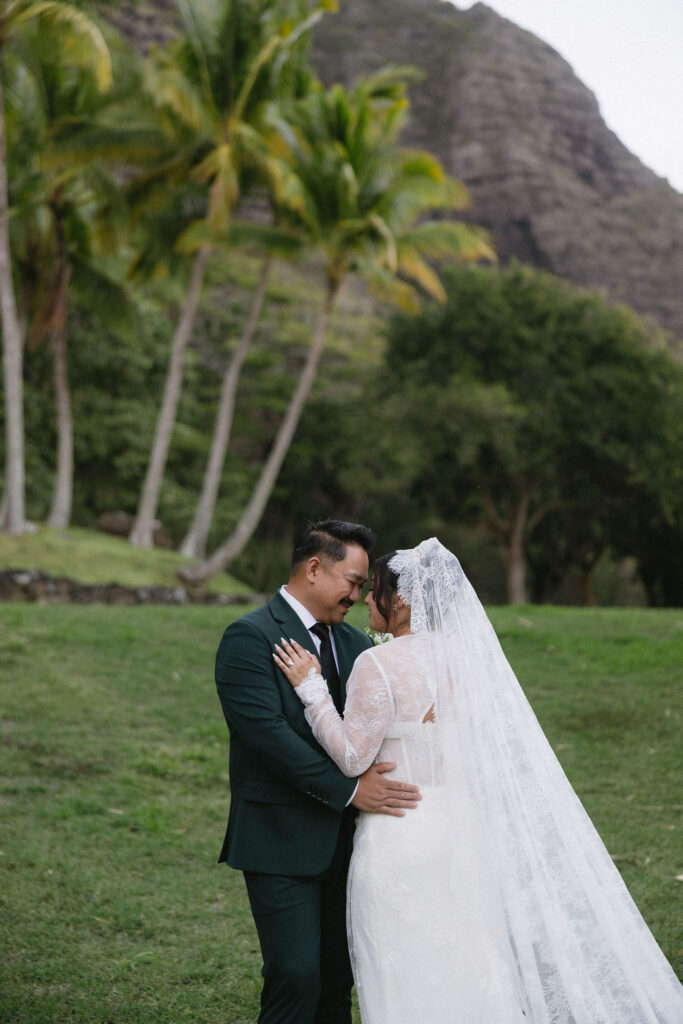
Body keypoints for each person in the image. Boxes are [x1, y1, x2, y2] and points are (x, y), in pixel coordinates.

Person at [274, 537, 683, 1023]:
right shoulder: (469, 662)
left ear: (401, 599)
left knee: (406, 969)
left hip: (399, 832)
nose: (365, 599)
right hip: (460, 831)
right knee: (468, 960)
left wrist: (312, 689)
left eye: (375, 588)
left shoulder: (377, 663)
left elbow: (350, 757)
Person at [214, 519, 421, 1024]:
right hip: (279, 838)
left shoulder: (358, 646)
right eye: (353, 582)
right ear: (313, 568)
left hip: (351, 845)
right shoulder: (249, 637)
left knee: (337, 981)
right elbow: (270, 739)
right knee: (295, 974)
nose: (359, 596)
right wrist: (351, 791)